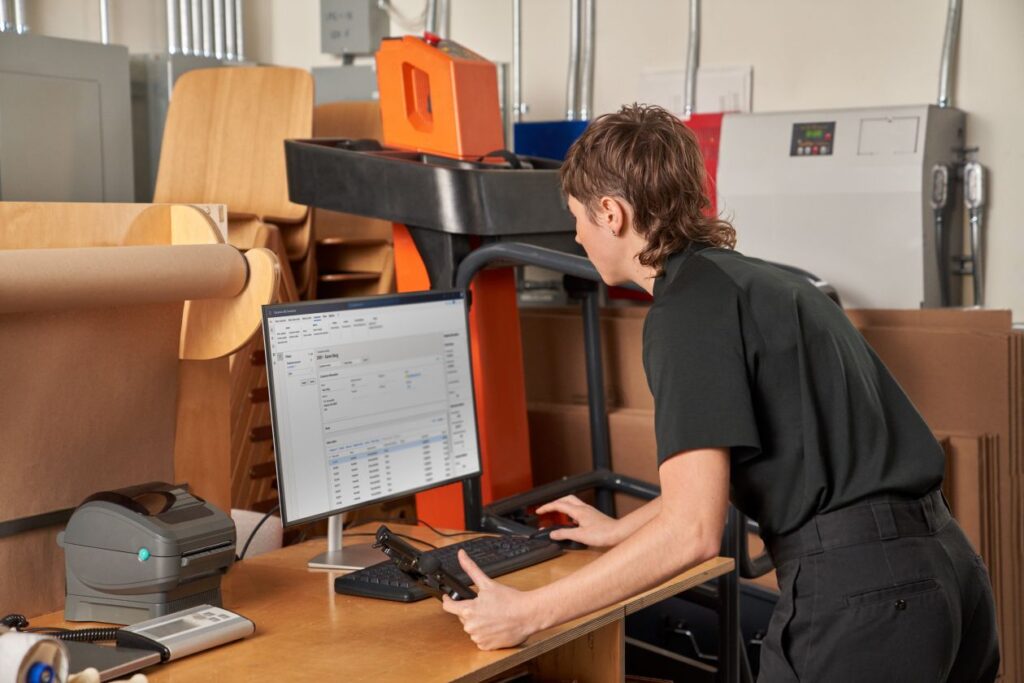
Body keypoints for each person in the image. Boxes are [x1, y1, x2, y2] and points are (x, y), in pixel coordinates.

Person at [441, 104, 999, 681]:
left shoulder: (686, 315)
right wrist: (619, 531)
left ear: (610, 213)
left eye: (577, 216)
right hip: (947, 570)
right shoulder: (758, 284)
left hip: (867, 597)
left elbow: (693, 532)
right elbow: (727, 473)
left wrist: (527, 613)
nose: (577, 234)